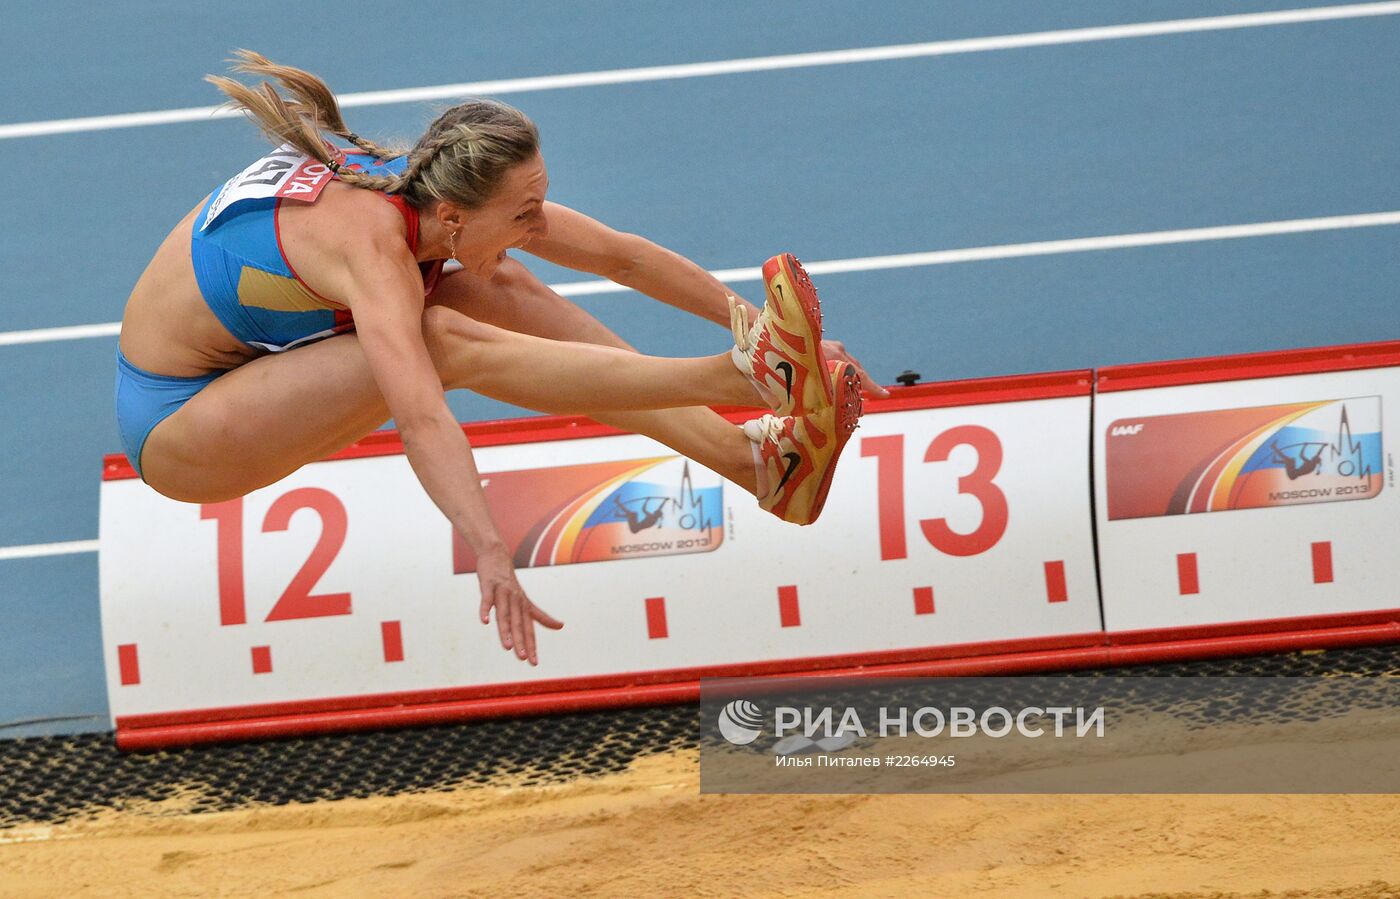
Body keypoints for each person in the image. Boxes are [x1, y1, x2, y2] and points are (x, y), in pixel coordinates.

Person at [116, 51, 882, 667]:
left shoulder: (438, 191)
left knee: (502, 282)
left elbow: (623, 257)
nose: (537, 222)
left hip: (255, 372)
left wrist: (777, 334)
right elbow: (420, 416)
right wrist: (488, 546)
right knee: (440, 339)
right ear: (452, 216)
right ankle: (737, 378)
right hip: (181, 426)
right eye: (523, 213)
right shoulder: (373, 251)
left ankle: (758, 465)